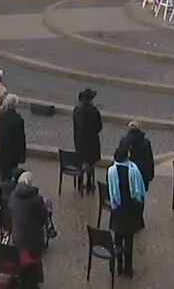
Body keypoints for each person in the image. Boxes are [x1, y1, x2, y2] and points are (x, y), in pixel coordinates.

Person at [105, 146, 147, 276]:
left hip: (117, 210)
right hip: (130, 211)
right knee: (129, 241)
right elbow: (139, 192)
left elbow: (110, 191)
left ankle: (119, 266)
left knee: (117, 238)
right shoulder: (133, 171)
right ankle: (128, 268)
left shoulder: (111, 171)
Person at [7, 170, 50, 289]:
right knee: (35, 251)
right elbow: (43, 218)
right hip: (32, 243)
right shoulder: (36, 199)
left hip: (17, 239)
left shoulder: (13, 196)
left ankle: (23, 279)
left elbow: (10, 210)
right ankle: (32, 283)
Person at [72, 87, 103, 194]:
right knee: (91, 162)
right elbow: (99, 127)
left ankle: (80, 183)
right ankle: (89, 183)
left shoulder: (77, 110)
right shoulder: (94, 112)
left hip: (79, 143)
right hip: (92, 143)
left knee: (81, 161)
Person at [0, 94, 27, 180]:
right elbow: (21, 140)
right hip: (13, 155)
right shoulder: (18, 120)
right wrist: (22, 156)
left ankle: (1, 188)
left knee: (2, 173)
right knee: (10, 175)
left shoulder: (0, 116)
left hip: (1, 151)